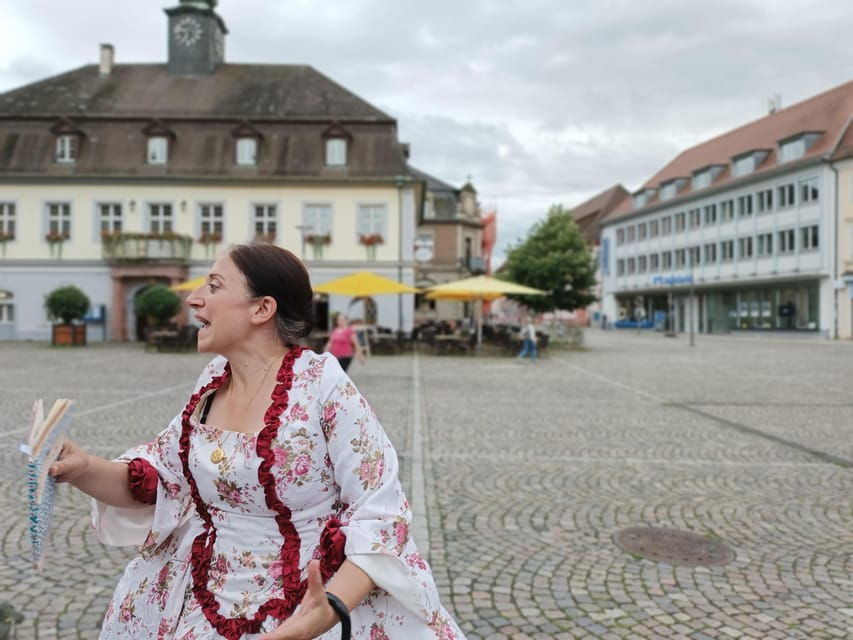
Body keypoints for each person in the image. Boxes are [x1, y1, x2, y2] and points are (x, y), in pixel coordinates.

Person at [48, 243, 465, 640]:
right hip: (202, 597)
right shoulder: (212, 382)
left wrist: (328, 610)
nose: (194, 299)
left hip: (312, 602)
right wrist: (83, 468)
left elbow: (381, 513)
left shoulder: (322, 385)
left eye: (213, 286)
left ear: (263, 308)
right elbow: (162, 477)